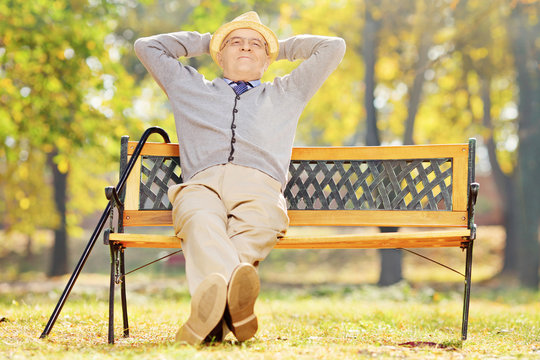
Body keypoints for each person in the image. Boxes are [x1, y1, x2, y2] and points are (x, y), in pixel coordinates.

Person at [134, 11, 345, 344]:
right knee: (197, 217)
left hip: (259, 186)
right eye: (235, 43)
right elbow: (147, 46)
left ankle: (210, 316)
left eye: (255, 45)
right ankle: (236, 307)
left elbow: (333, 47)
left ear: (267, 59)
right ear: (220, 56)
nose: (246, 48)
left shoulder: (287, 92)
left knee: (262, 220)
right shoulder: (187, 86)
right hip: (202, 184)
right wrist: (209, 40)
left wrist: (278, 47)